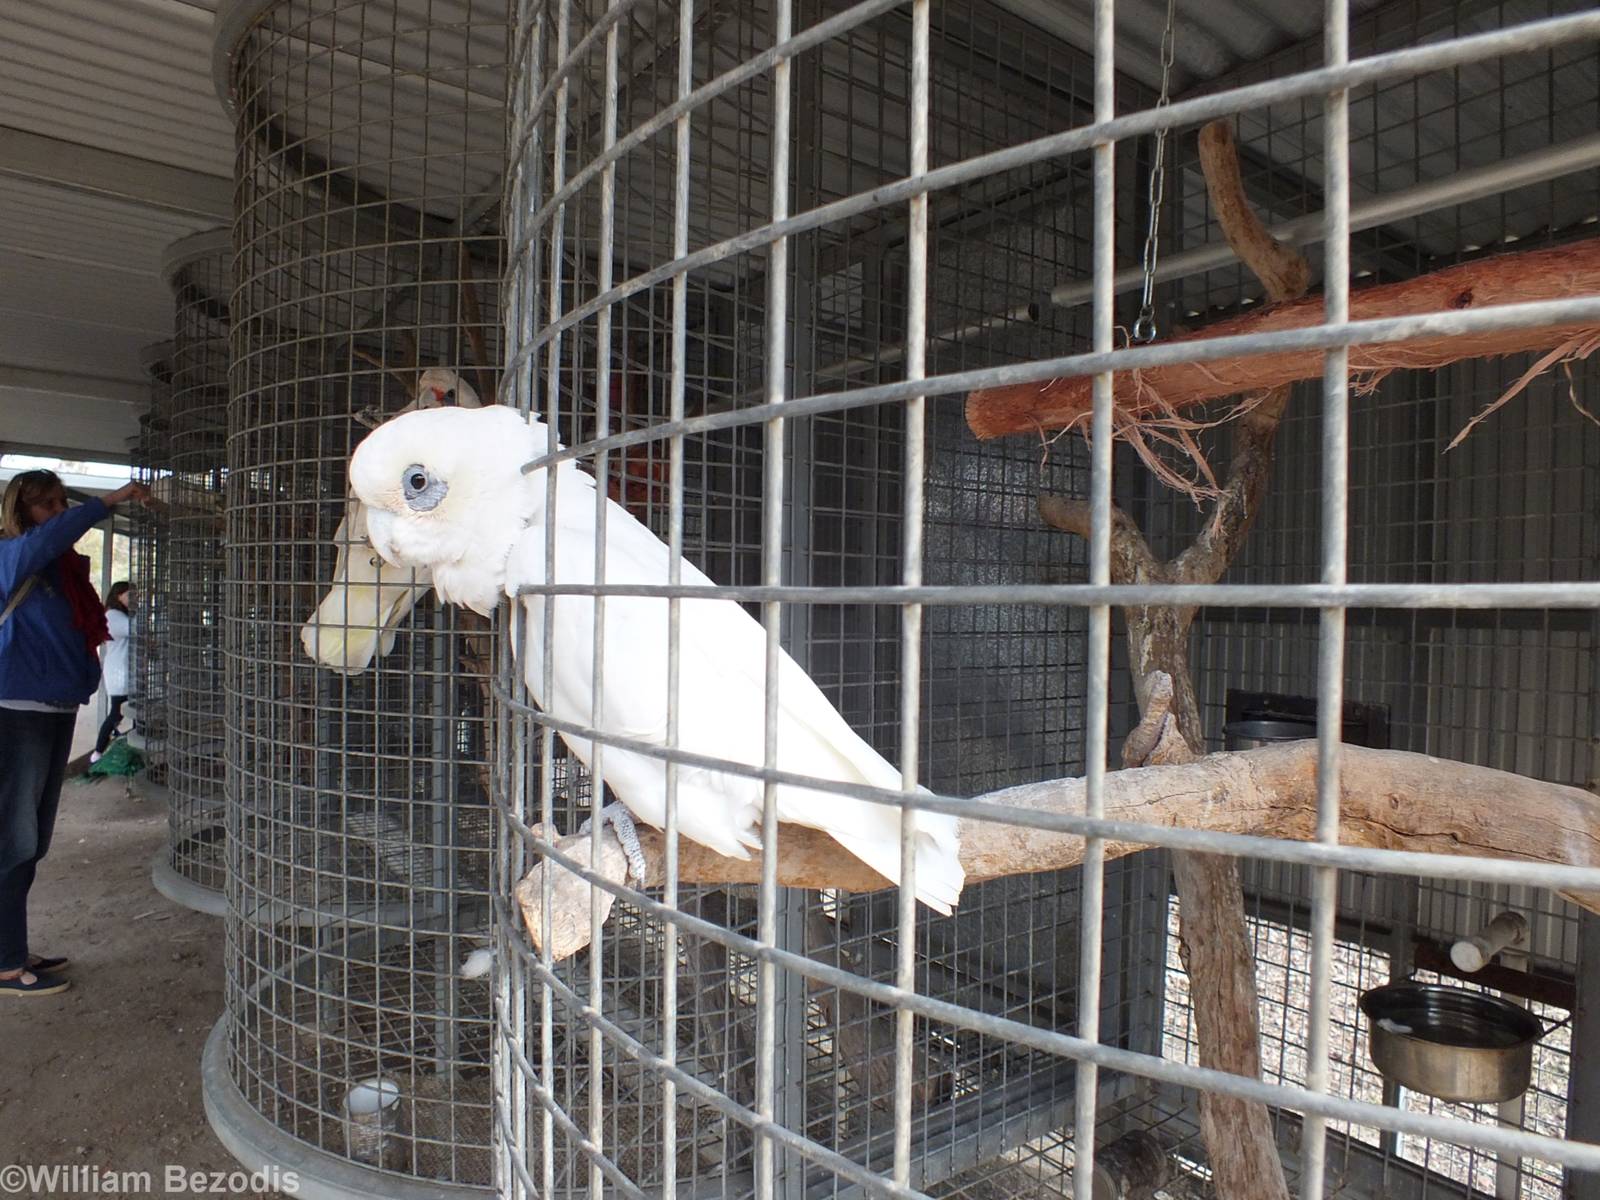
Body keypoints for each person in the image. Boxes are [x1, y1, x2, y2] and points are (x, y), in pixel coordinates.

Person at [0, 470, 148, 996]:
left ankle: (9, 945)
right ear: (21, 511)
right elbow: (51, 538)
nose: (60, 512)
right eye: (48, 505)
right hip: (16, 711)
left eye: (65, 501)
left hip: (53, 708)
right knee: (13, 839)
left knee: (31, 841)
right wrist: (106, 502)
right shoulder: (11, 555)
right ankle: (5, 962)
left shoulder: (60, 573)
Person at [90, 580, 135, 763]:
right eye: (131, 595)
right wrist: (147, 609)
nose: (135, 599)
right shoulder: (114, 615)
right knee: (117, 713)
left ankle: (102, 752)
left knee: (125, 712)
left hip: (124, 672)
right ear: (118, 595)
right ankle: (97, 753)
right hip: (119, 673)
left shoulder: (119, 614)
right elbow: (135, 629)